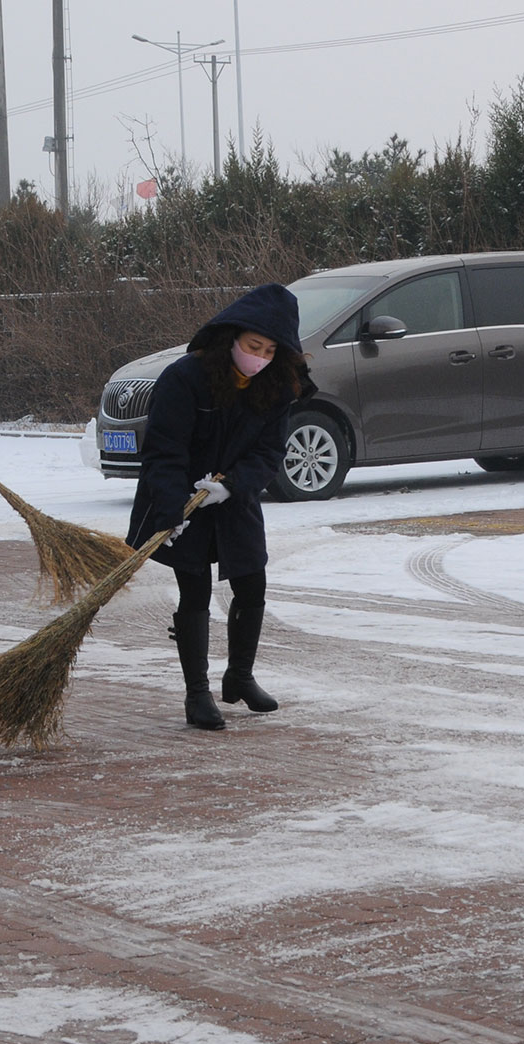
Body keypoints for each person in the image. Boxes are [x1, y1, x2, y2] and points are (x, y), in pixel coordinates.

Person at [127, 283, 314, 730]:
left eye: (271, 350)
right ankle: (198, 694)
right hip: (181, 499)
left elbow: (269, 453)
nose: (261, 357)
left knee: (252, 583)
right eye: (254, 346)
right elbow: (163, 451)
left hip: (233, 498)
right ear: (231, 336)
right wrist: (172, 510)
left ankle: (239, 677)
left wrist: (231, 487)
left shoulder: (276, 385)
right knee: (195, 591)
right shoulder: (185, 377)